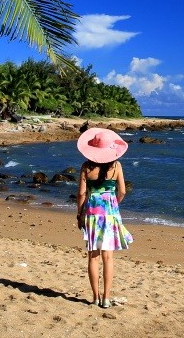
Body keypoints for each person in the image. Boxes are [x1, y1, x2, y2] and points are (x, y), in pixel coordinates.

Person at [75, 127, 134, 308]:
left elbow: (81, 195)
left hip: (92, 213)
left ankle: (95, 297)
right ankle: (106, 298)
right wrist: (113, 203)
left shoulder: (86, 167)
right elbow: (122, 191)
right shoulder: (116, 166)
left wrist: (80, 214)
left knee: (93, 256)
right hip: (110, 213)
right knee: (108, 257)